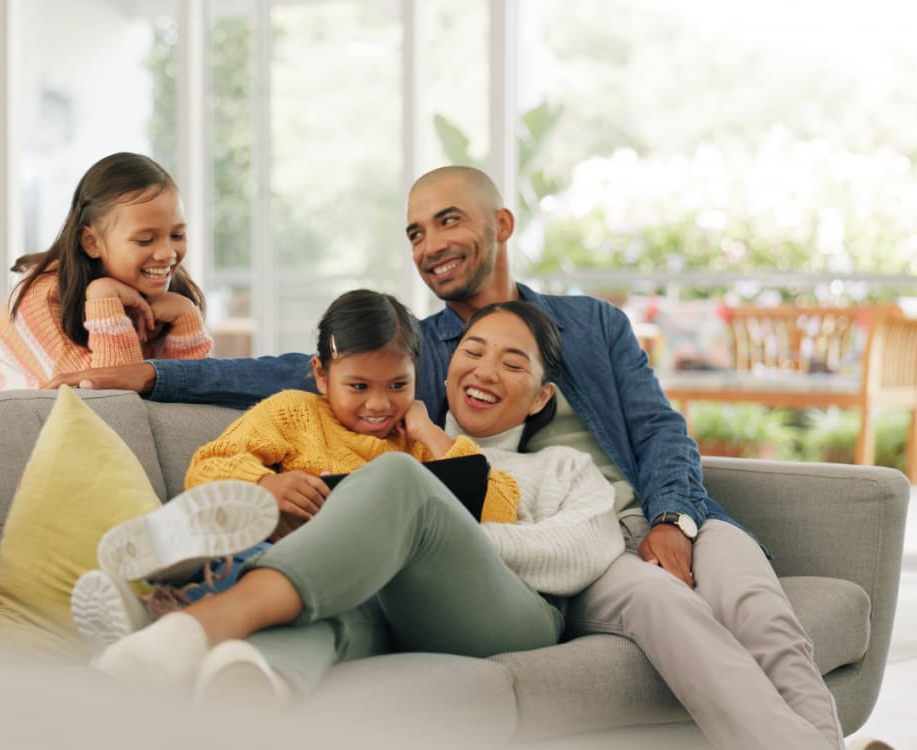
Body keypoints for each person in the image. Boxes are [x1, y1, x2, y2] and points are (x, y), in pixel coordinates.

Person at [49, 166, 844, 749]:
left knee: (759, 610)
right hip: (565, 549)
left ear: (499, 225)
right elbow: (308, 372)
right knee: (667, 610)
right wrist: (156, 373)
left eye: (448, 222)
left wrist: (672, 516)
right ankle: (200, 613)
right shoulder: (423, 355)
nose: (431, 245)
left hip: (654, 513)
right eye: (416, 233)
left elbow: (660, 430)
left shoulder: (592, 326)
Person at [77, 296, 624, 705]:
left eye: (512, 363)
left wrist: (424, 443)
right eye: (473, 351)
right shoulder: (297, 411)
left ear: (543, 394)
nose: (379, 404)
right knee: (325, 610)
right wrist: (269, 487)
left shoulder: (440, 452)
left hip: (483, 598)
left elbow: (497, 506)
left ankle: (196, 616)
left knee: (393, 484)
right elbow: (214, 461)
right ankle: (236, 683)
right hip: (363, 593)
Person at [0, 152, 211, 391]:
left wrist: (187, 318)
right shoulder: (41, 298)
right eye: (144, 240)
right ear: (92, 242)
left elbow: (191, 399)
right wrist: (104, 298)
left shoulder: (171, 298)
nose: (167, 253)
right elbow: (103, 403)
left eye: (177, 234)